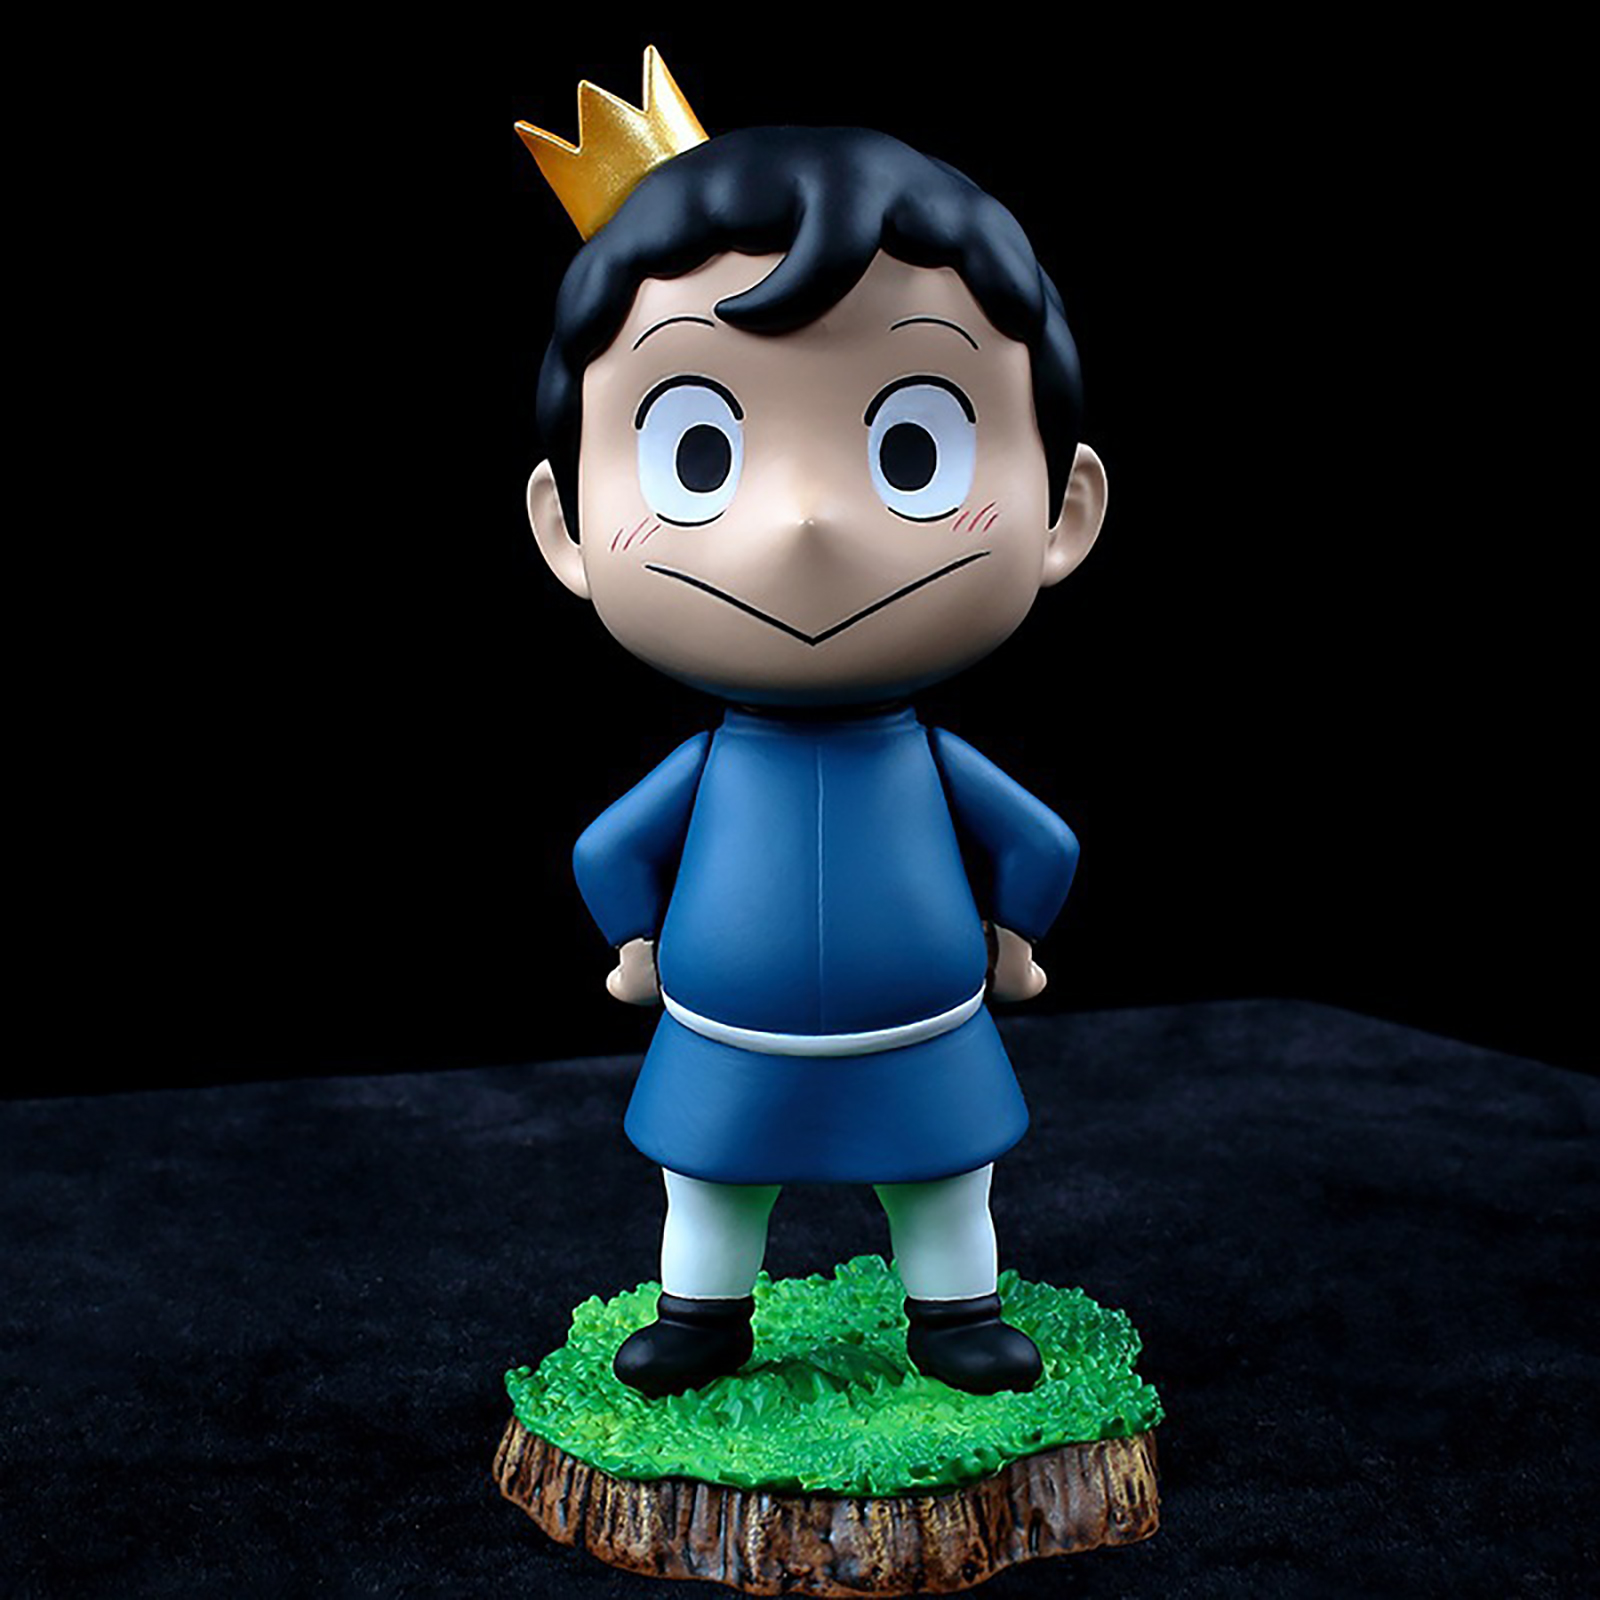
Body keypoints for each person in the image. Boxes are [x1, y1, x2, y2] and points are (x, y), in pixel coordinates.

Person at [517, 50, 1108, 1398]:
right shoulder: (714, 766)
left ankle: (954, 1313)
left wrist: (1017, 941)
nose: (803, 522)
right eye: (698, 453)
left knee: (944, 1178)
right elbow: (611, 850)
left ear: (1065, 511)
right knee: (710, 1181)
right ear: (565, 528)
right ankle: (702, 1315)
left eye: (912, 449)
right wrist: (636, 945)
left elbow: (1039, 843)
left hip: (923, 1032)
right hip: (727, 1035)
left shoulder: (925, 761)